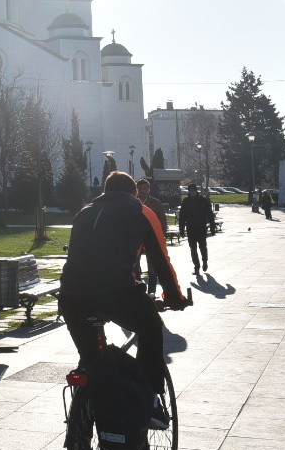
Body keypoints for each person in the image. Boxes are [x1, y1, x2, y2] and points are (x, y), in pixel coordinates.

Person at [60, 171, 190, 427]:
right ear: (134, 193)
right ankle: (151, 401)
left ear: (105, 191)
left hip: (71, 296)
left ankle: (82, 431)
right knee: (151, 329)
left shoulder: (84, 213)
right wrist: (174, 297)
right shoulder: (140, 211)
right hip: (117, 291)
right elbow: (160, 260)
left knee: (90, 359)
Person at [135, 179, 166, 293]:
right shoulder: (133, 203)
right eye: (140, 188)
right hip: (136, 242)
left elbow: (162, 221)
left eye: (145, 188)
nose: (142, 191)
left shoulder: (156, 203)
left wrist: (162, 238)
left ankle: (151, 293)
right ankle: (140, 294)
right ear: (137, 190)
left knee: (152, 271)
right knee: (135, 269)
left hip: (152, 240)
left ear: (149, 189)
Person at [177, 185, 212, 273]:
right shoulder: (186, 201)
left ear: (196, 191)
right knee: (193, 248)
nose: (192, 192)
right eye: (190, 190)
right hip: (191, 228)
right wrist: (181, 229)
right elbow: (182, 216)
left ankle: (204, 261)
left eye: (193, 190)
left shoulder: (202, 200)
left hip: (201, 227)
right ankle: (196, 266)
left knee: (203, 247)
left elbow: (209, 213)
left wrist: (212, 226)